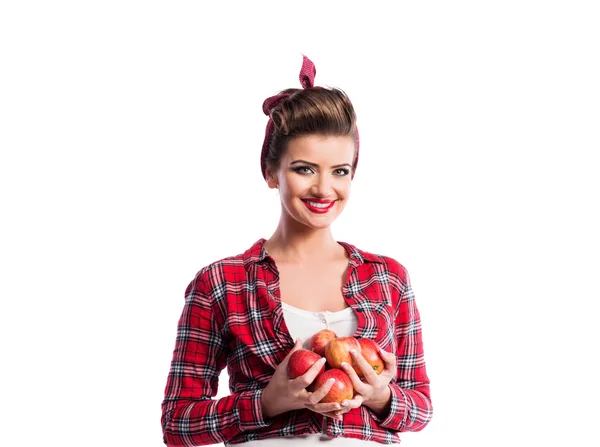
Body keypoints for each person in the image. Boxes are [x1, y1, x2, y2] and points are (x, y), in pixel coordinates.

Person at [161, 55, 433, 446]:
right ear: (271, 173)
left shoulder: (389, 278)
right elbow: (177, 423)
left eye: (340, 171)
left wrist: (380, 395)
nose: (324, 189)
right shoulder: (220, 282)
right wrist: (267, 402)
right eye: (304, 169)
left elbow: (421, 407)